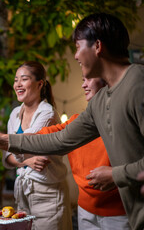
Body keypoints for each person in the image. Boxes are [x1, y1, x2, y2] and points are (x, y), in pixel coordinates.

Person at [0, 13, 144, 230]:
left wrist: (115, 175)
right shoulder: (100, 100)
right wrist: (4, 140)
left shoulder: (138, 83)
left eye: (78, 46)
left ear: (98, 46)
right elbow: (61, 139)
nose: (75, 55)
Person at [37, 77, 130, 229]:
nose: (83, 84)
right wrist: (5, 139)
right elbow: (44, 135)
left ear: (107, 82)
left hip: (119, 212)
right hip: (85, 210)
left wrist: (115, 174)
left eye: (89, 79)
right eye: (82, 79)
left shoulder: (126, 121)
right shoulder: (77, 122)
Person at [3, 61, 71, 230]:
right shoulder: (14, 114)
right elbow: (8, 157)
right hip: (22, 191)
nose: (17, 84)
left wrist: (5, 144)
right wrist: (26, 162)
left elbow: (26, 145)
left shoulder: (47, 113)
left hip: (47, 193)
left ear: (40, 84)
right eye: (15, 80)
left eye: (24, 79)